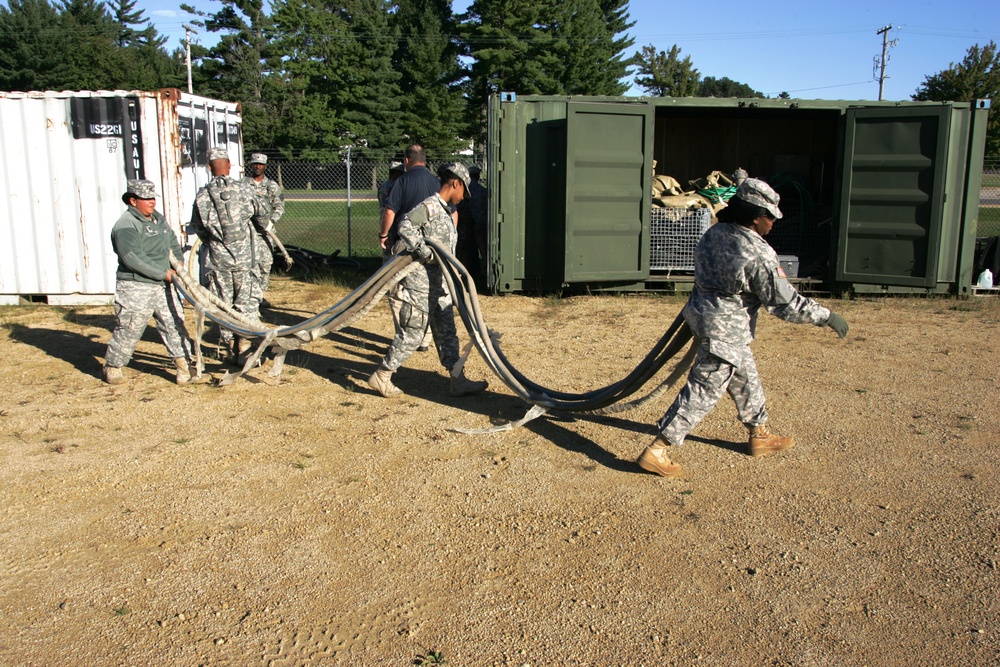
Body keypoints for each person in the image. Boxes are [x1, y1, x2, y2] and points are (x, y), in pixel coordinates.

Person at [636, 178, 849, 478]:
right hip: (725, 330)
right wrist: (826, 316)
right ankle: (658, 449)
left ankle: (759, 434)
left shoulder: (715, 233)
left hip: (704, 317)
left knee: (744, 375)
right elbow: (784, 303)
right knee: (704, 389)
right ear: (754, 216)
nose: (773, 223)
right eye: (770, 216)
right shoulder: (757, 254)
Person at [368, 163, 489, 399]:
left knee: (447, 333)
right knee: (413, 333)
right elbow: (405, 225)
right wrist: (425, 251)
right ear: (455, 183)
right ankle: (382, 375)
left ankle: (458, 380)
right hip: (421, 283)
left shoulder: (444, 209)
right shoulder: (431, 207)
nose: (464, 197)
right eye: (464, 190)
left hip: (441, 284)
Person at [103, 180, 207, 385]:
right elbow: (132, 258)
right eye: (146, 199)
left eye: (153, 198)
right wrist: (163, 273)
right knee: (130, 327)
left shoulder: (158, 220)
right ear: (133, 200)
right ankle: (113, 366)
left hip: (165, 283)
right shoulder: (126, 225)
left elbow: (172, 244)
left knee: (174, 323)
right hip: (137, 286)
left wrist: (178, 264)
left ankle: (185, 368)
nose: (152, 202)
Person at [190, 147, 271, 364]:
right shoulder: (244, 190)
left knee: (223, 304)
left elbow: (199, 228)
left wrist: (216, 242)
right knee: (247, 303)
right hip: (246, 260)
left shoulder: (203, 195)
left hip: (218, 260)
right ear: (229, 166)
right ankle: (246, 349)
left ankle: (229, 348)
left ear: (209, 168)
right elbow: (263, 217)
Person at [379, 145, 447, 351]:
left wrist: (383, 236)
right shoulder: (436, 182)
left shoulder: (402, 180)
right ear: (424, 161)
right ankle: (424, 340)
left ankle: (404, 336)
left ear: (406, 161)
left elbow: (390, 212)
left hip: (405, 244)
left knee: (397, 289)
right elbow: (451, 212)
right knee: (427, 291)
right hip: (432, 246)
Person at [243, 152, 285, 311]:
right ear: (251, 165)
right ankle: (249, 296)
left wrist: (271, 221)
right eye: (255, 164)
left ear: (265, 166)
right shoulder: (243, 184)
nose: (257, 167)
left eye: (260, 164)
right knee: (248, 264)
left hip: (266, 233)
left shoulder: (272, 186)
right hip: (247, 232)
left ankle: (259, 295)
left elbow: (280, 207)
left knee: (265, 264)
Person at [455, 164, 488, 285]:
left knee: (462, 252)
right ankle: (484, 276)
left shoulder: (463, 189)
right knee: (483, 252)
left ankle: (461, 276)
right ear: (478, 176)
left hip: (463, 226)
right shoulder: (482, 191)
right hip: (480, 225)